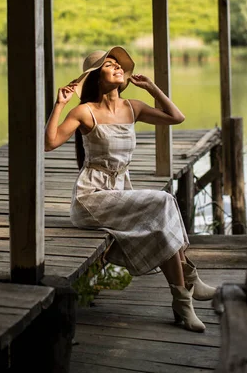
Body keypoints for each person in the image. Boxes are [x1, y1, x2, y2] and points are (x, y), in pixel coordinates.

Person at [45, 46, 216, 332]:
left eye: (118, 64)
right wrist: (59, 104)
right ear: (97, 77)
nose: (117, 67)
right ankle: (188, 284)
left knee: (162, 222)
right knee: (164, 200)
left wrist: (152, 88)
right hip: (92, 198)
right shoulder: (85, 112)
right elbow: (49, 143)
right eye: (109, 65)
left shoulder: (132, 107)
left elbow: (176, 117)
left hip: (121, 192)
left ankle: (183, 299)